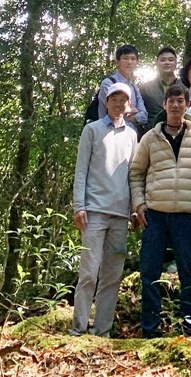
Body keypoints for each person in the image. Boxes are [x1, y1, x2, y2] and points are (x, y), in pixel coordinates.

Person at [130, 81, 191, 337]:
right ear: (165, 105)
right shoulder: (150, 137)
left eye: (181, 101)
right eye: (172, 101)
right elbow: (136, 172)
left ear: (187, 105)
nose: (176, 106)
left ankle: (190, 326)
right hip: (155, 214)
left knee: (188, 272)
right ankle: (150, 329)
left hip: (186, 216)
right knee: (150, 272)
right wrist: (139, 203)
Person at [70, 83, 139, 336]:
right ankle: (78, 328)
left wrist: (134, 207)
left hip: (120, 215)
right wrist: (79, 205)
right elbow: (81, 170)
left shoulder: (132, 135)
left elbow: (134, 174)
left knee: (112, 277)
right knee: (88, 272)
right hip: (94, 212)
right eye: (114, 99)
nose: (119, 104)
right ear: (106, 102)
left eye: (124, 100)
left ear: (129, 104)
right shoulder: (92, 130)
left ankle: (102, 331)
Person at [99, 44, 148, 133]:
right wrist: (134, 110)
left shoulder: (134, 88)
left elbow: (144, 116)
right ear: (117, 62)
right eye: (125, 58)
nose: (129, 62)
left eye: (133, 59)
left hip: (131, 137)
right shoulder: (108, 83)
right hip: (108, 132)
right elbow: (117, 110)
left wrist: (129, 113)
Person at [141, 46, 179, 128]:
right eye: (163, 60)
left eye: (171, 60)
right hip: (152, 134)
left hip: (179, 134)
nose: (167, 62)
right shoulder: (146, 88)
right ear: (157, 63)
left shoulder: (184, 86)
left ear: (176, 63)